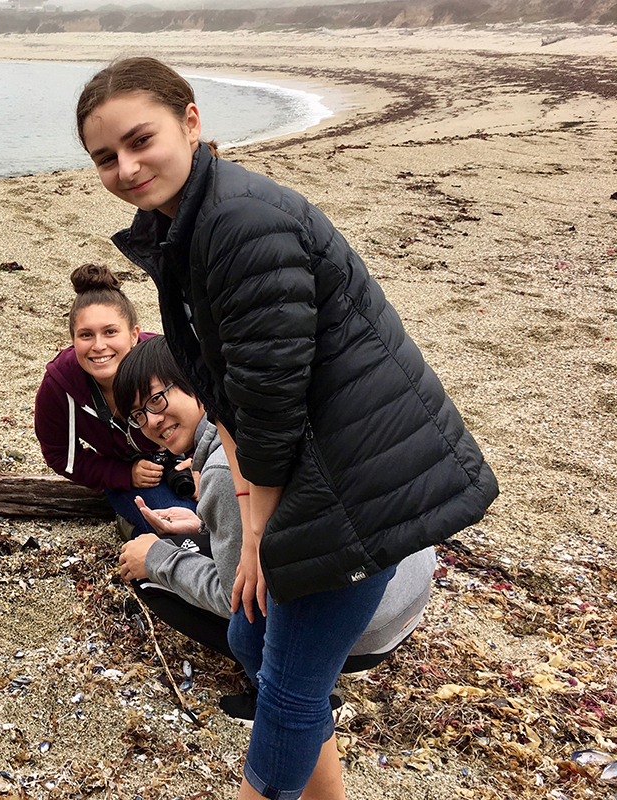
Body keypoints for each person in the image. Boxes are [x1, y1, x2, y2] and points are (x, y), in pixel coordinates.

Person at [76, 57, 498, 800]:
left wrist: (261, 536)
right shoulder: (189, 224)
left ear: (192, 121)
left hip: (357, 479)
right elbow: (224, 389)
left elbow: (269, 403)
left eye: (141, 140)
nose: (126, 166)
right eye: (106, 157)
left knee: (290, 692)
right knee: (247, 633)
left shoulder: (240, 223)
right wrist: (245, 522)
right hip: (321, 461)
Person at [111, 336, 436, 725]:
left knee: (154, 577)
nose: (151, 421)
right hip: (407, 586)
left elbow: (236, 597)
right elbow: (295, 519)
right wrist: (205, 523)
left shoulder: (220, 468)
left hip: (360, 628)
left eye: (157, 399)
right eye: (136, 416)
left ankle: (282, 690)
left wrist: (158, 559)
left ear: (196, 381)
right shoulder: (267, 415)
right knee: (197, 548)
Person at [34, 263, 197, 537]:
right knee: (179, 532)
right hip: (132, 479)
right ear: (73, 340)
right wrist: (122, 474)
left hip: (191, 463)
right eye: (86, 335)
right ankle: (132, 524)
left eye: (110, 332)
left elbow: (214, 412)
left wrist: (201, 462)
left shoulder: (166, 359)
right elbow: (59, 454)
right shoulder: (59, 383)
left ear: (133, 334)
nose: (99, 346)